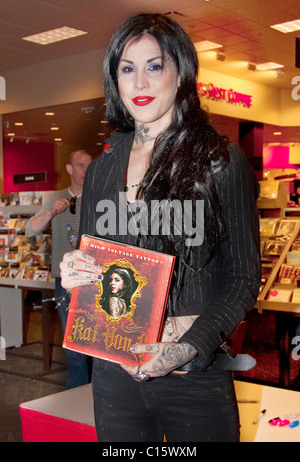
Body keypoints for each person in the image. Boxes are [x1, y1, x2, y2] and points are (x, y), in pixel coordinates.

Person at [60, 14, 261, 442]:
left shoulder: (220, 162)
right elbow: (93, 257)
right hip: (115, 373)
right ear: (115, 79)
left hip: (193, 374)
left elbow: (243, 277)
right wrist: (76, 270)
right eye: (127, 69)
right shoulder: (100, 171)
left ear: (180, 71)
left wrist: (189, 345)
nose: (141, 83)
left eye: (155, 66)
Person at [26, 149, 92, 389]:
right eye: (81, 165)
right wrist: (52, 211)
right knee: (73, 342)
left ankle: (99, 395)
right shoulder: (55, 198)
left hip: (95, 278)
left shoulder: (98, 197)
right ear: (70, 169)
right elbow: (31, 228)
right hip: (65, 282)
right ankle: (76, 393)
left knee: (98, 341)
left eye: (88, 165)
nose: (85, 170)